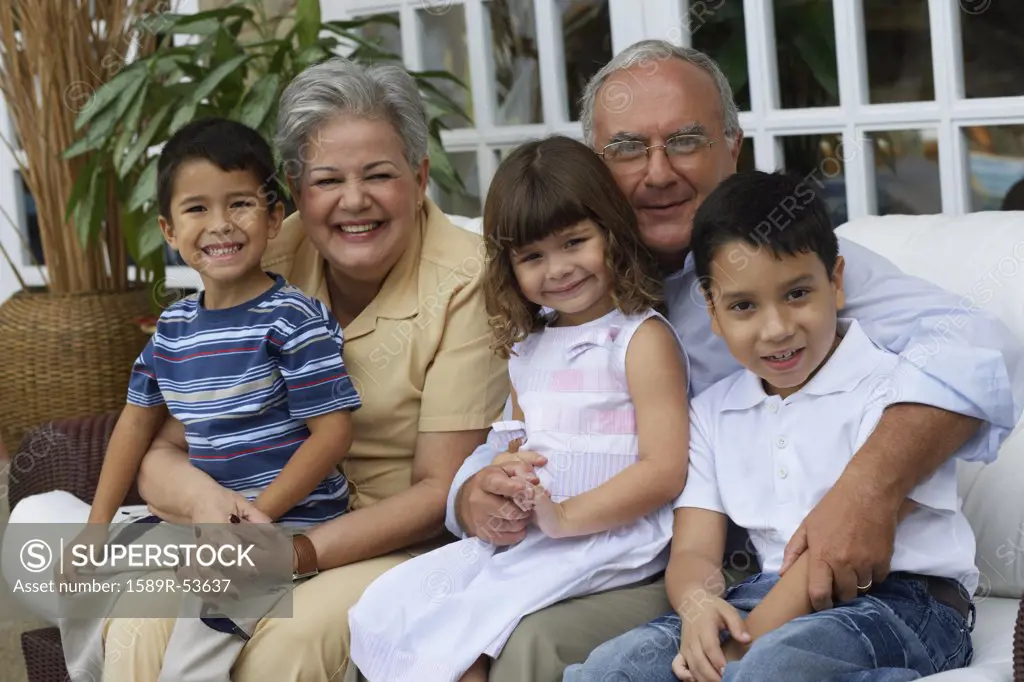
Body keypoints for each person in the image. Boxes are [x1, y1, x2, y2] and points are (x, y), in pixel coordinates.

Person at [446, 40, 1022, 680]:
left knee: (535, 643)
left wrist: (867, 489)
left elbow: (976, 344)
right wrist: (474, 494)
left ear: (733, 147)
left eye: (686, 140)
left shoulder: (797, 264)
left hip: (842, 591)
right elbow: (523, 432)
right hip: (647, 565)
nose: (657, 172)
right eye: (629, 149)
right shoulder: (570, 296)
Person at [4, 57, 509, 682]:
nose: (355, 201)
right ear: (294, 192)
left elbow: (437, 493)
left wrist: (286, 551)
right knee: (133, 626)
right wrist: (220, 514)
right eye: (327, 180)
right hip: (241, 524)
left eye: (379, 174)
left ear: (420, 175)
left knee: (277, 652)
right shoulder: (260, 248)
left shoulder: (470, 279)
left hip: (387, 542)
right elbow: (161, 448)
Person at [568, 171, 979, 682]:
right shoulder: (712, 413)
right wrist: (698, 606)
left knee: (771, 667)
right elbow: (694, 549)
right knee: (611, 670)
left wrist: (744, 649)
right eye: (743, 305)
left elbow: (831, 555)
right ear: (712, 310)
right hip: (762, 594)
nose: (777, 328)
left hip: (905, 604)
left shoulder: (898, 392)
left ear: (836, 281)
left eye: (797, 294)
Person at [346, 135, 690, 682]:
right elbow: (513, 443)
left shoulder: (638, 339)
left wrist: (567, 517)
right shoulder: (528, 348)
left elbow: (665, 468)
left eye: (574, 242)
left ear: (610, 231)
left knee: (475, 638)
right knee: (394, 606)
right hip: (535, 536)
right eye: (532, 257)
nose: (557, 270)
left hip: (608, 538)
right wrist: (501, 481)